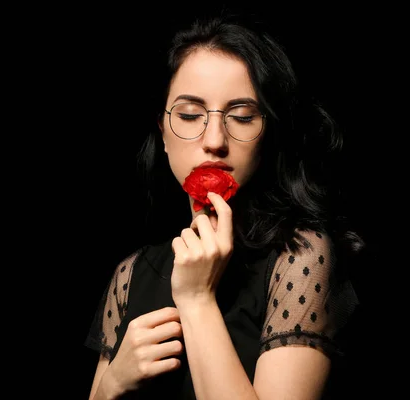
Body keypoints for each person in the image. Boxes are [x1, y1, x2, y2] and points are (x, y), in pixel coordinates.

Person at [84, 12, 366, 400]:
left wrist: (197, 300)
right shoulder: (129, 275)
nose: (214, 140)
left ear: (268, 133)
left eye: (242, 116)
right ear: (163, 131)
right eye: (188, 115)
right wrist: (111, 385)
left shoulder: (302, 258)